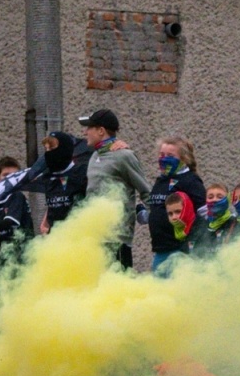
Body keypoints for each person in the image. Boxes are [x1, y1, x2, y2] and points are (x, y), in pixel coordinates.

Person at [80, 108, 150, 268]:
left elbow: (146, 191)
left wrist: (157, 221)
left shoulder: (124, 156)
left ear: (101, 131)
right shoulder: (94, 155)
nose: (85, 132)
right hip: (94, 236)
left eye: (89, 128)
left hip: (116, 238)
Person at [147, 136, 206, 275]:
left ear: (184, 158)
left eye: (170, 155)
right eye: (161, 155)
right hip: (161, 249)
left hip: (180, 250)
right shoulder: (161, 180)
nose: (164, 159)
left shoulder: (191, 180)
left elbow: (204, 214)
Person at [39, 131, 90, 233]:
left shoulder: (83, 172)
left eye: (52, 148)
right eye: (46, 149)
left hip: (79, 235)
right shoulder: (47, 177)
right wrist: (45, 223)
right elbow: (53, 204)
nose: (48, 153)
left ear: (64, 148)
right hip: (54, 237)